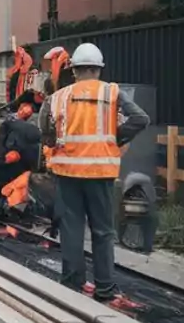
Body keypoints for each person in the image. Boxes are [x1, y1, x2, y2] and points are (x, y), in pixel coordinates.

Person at [39, 42, 148, 309]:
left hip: (67, 172)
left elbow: (45, 130)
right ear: (99, 69)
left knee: (71, 228)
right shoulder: (112, 93)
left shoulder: (59, 97)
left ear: (74, 70)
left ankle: (73, 284)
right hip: (100, 172)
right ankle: (105, 290)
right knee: (102, 231)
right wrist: (115, 137)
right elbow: (140, 119)